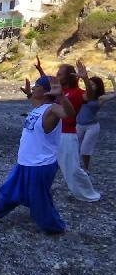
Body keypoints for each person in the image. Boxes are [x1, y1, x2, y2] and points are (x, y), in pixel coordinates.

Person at [0, 76, 74, 234]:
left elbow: (69, 114)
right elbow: (34, 101)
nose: (34, 88)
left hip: (41, 164)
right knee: (8, 190)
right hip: (25, 162)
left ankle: (56, 227)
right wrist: (29, 93)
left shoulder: (53, 109)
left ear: (46, 91)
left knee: (39, 199)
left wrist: (61, 96)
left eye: (37, 86)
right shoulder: (39, 107)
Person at [31, 57, 101, 202]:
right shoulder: (58, 90)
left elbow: (90, 96)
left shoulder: (77, 92)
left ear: (69, 76)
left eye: (60, 74)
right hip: (54, 134)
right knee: (46, 163)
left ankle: (89, 193)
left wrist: (85, 79)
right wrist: (40, 70)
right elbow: (47, 82)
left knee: (72, 168)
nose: (57, 76)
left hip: (68, 134)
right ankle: (42, 191)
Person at [75, 63, 116, 170]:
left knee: (85, 149)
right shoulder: (83, 94)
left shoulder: (101, 98)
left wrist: (112, 80)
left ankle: (86, 168)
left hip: (92, 126)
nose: (90, 86)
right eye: (89, 84)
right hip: (79, 125)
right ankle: (74, 165)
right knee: (73, 146)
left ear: (98, 86)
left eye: (93, 84)